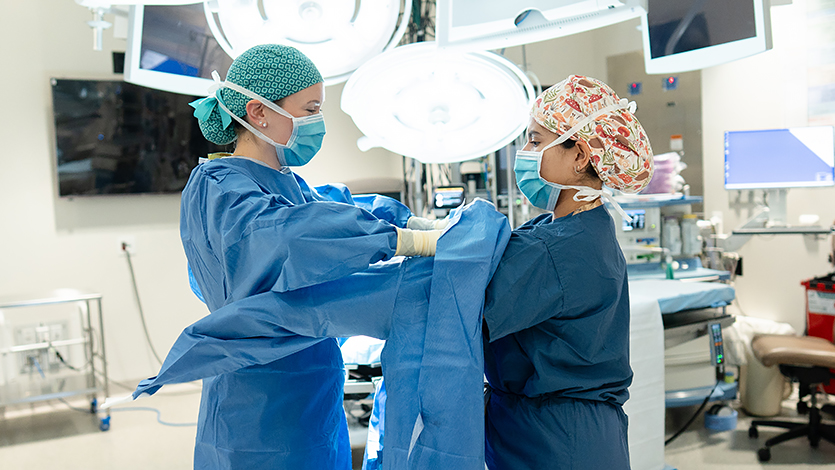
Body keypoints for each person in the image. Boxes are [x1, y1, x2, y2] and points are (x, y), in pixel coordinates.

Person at [180, 44, 443, 469]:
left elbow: (332, 208)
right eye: (310, 109)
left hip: (314, 385)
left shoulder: (287, 184)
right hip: (259, 399)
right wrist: (398, 240)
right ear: (259, 112)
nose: (317, 122)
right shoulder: (219, 187)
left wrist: (410, 222)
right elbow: (289, 237)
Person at [482, 75, 654, 470]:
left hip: (557, 439)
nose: (525, 153)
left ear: (579, 155)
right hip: (571, 432)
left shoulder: (558, 249)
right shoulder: (584, 228)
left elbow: (461, 303)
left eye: (535, 141)